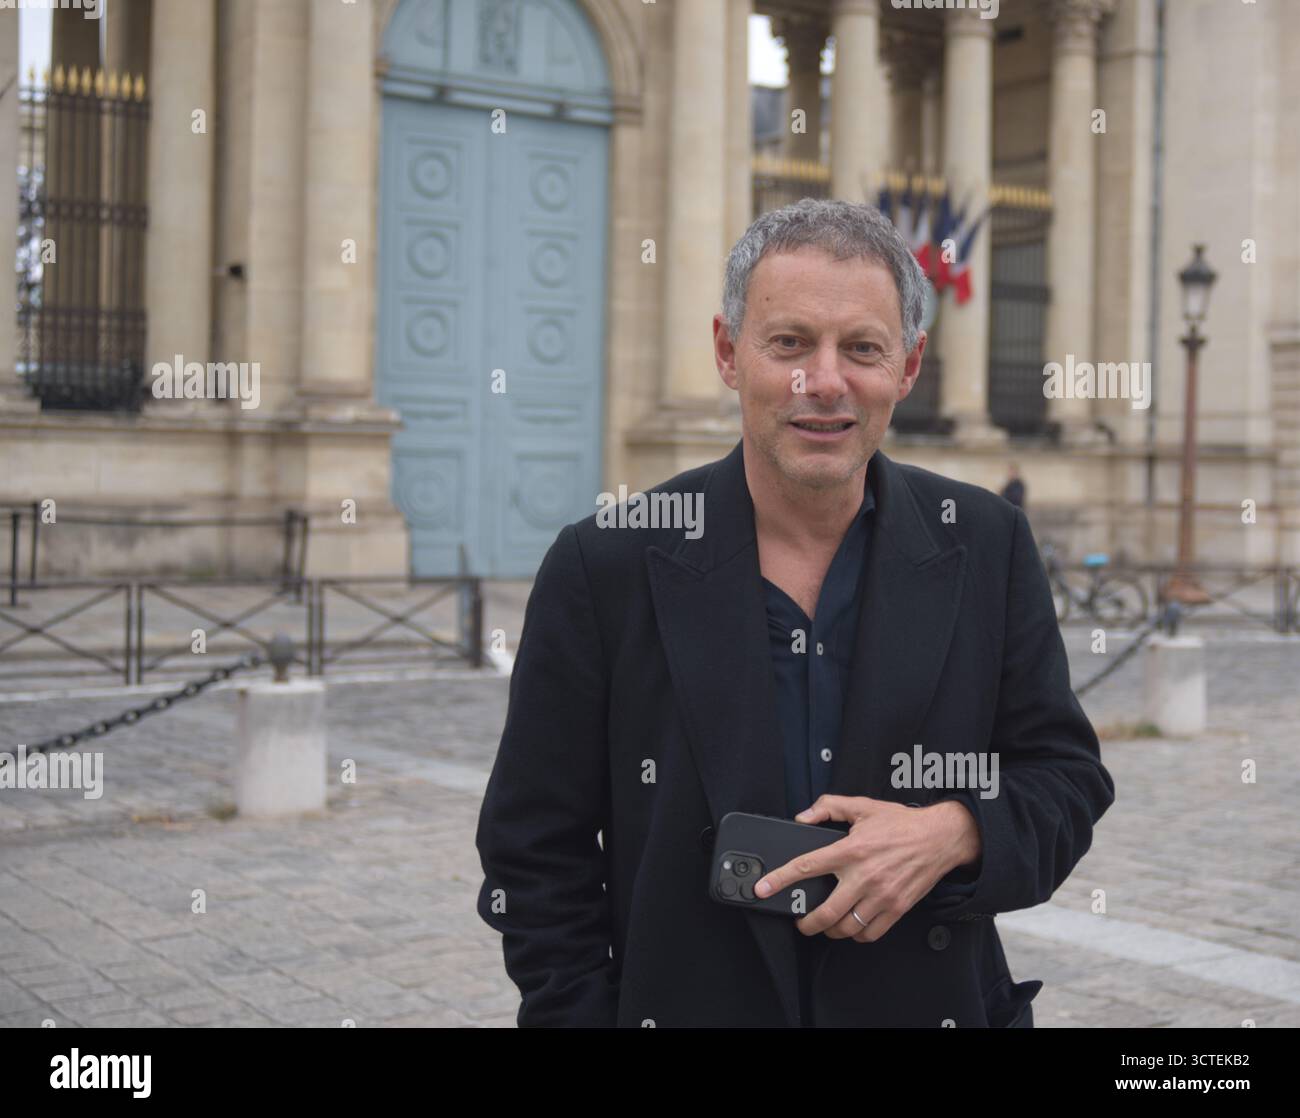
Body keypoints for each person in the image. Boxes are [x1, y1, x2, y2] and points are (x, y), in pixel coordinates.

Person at [474, 198, 1114, 1028]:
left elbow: (1065, 779)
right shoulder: (606, 562)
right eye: (789, 344)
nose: (825, 381)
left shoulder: (988, 543)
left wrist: (955, 831)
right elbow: (533, 856)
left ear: (909, 367)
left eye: (862, 349)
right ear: (728, 352)